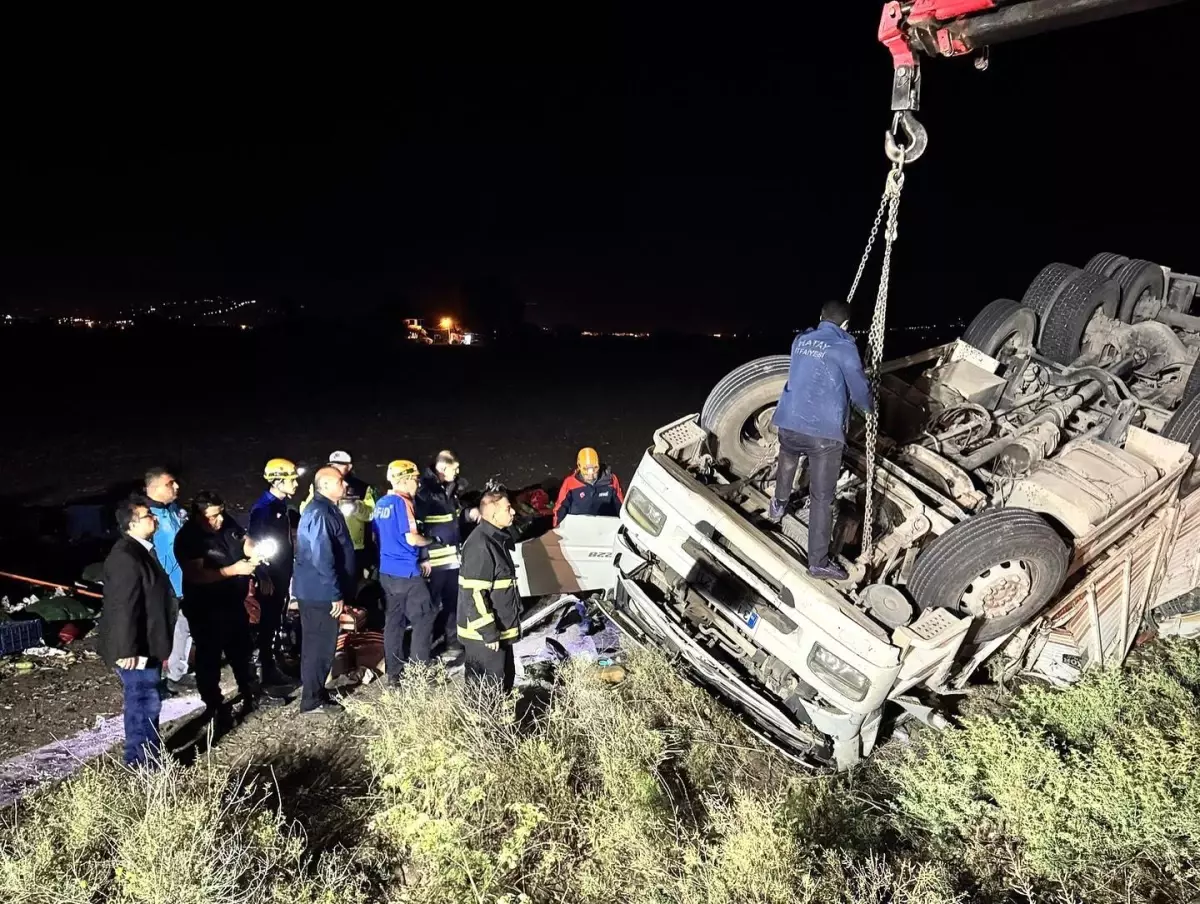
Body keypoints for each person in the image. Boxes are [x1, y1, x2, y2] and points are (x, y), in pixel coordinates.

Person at [768, 299, 873, 582]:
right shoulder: (845, 348)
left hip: (789, 422)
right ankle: (817, 563)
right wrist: (869, 409)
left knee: (788, 465)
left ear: (820, 317)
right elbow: (859, 389)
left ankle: (778, 505)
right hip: (823, 436)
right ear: (846, 325)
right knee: (822, 498)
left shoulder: (800, 340)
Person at [175, 491, 279, 723]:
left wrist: (256, 557)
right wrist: (233, 570)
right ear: (198, 516)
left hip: (233, 602)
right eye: (213, 516)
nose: (219, 520)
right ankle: (215, 706)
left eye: (221, 513)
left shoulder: (226, 523)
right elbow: (197, 575)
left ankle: (252, 694)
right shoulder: (189, 538)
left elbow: (245, 541)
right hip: (205, 606)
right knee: (209, 658)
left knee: (242, 651)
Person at [97, 496, 178, 767]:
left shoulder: (141, 551)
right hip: (135, 647)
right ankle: (141, 762)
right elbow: (123, 606)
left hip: (146, 642)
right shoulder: (126, 557)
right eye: (147, 516)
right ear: (132, 524)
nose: (153, 519)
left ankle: (150, 755)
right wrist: (127, 648)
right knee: (143, 701)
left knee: (149, 699)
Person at [293, 466, 357, 715]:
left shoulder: (325, 509)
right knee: (320, 646)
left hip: (316, 590)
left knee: (317, 644)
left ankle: (315, 689)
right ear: (326, 485)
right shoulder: (320, 512)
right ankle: (311, 700)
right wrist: (334, 593)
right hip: (320, 593)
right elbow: (322, 556)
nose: (345, 485)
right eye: (340, 481)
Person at [375, 460, 437, 683]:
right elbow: (411, 537)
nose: (417, 484)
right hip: (406, 573)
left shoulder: (380, 503)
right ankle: (420, 673)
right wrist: (431, 541)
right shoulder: (403, 503)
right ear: (406, 479)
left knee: (394, 622)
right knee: (424, 617)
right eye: (415, 479)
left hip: (386, 573)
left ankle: (394, 674)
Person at [415, 450, 479, 661]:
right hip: (433, 560)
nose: (459, 472)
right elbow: (419, 525)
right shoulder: (425, 490)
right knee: (429, 609)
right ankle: (422, 656)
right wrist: (423, 557)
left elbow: (450, 518)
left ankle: (453, 644)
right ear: (443, 468)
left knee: (453, 603)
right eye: (455, 468)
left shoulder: (447, 489)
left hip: (451, 558)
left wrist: (468, 515)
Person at [457, 487, 521, 693]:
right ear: (493, 514)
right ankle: (484, 726)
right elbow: (473, 593)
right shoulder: (481, 545)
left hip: (497, 634)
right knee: (486, 694)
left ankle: (499, 724)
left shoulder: (495, 539)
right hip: (484, 640)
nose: (513, 512)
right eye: (508, 508)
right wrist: (488, 633)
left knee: (503, 686)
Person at [248, 458, 299, 687]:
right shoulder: (263, 510)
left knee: (276, 620)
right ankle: (266, 673)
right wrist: (263, 575)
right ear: (277, 481)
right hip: (271, 575)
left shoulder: (280, 506)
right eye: (291, 479)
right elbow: (255, 545)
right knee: (267, 624)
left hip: (281, 571)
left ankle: (273, 665)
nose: (296, 483)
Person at [145, 467, 192, 693]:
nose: (176, 487)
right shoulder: (146, 517)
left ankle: (176, 673)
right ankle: (155, 681)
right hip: (164, 586)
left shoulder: (173, 510)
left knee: (185, 627)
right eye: (170, 483)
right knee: (163, 632)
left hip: (184, 581)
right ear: (153, 488)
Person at [301, 450, 376, 576]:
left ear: (349, 466)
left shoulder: (362, 488)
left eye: (339, 464)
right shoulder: (319, 486)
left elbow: (371, 514)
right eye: (332, 465)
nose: (334, 468)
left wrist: (355, 506)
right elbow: (305, 510)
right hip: (328, 541)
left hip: (354, 545)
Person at [553, 447, 625, 527]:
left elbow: (621, 505)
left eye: (594, 470)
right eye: (586, 472)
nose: (590, 476)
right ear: (579, 467)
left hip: (604, 527)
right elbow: (560, 508)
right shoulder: (570, 483)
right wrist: (557, 529)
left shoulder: (611, 481)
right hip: (578, 527)